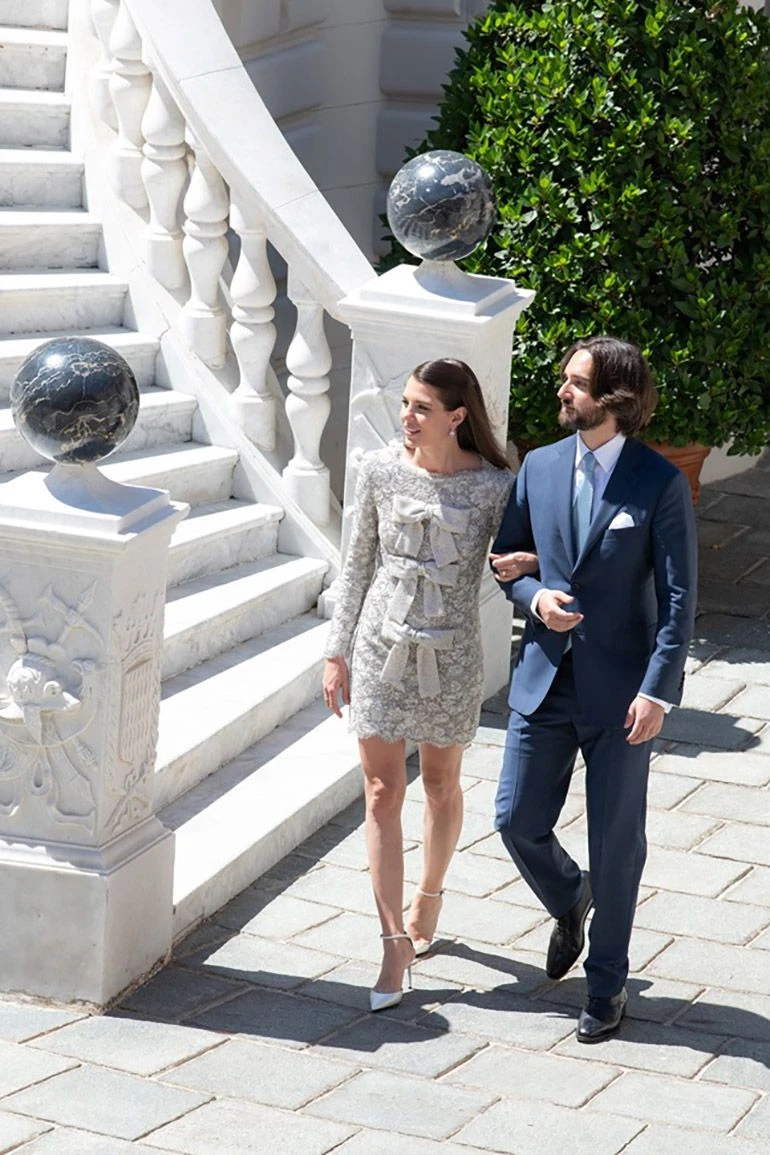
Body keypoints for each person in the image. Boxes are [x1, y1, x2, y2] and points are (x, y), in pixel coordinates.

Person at [491, 336, 697, 1042]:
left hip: (620, 694)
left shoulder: (658, 483)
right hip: (544, 680)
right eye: (565, 379)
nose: (562, 392)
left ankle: (607, 985)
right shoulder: (540, 467)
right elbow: (506, 561)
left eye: (575, 383)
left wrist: (658, 692)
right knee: (515, 817)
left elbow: (678, 600)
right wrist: (535, 595)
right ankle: (568, 894)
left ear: (613, 398)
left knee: (616, 843)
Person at [323, 358, 536, 1012]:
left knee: (441, 783)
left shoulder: (497, 486)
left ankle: (429, 895)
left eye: (421, 407)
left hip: (452, 657)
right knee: (383, 788)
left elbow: (522, 557)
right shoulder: (380, 471)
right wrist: (337, 652)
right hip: (380, 649)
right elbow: (356, 567)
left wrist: (531, 563)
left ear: (457, 416)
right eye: (406, 402)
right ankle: (393, 942)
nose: (407, 416)